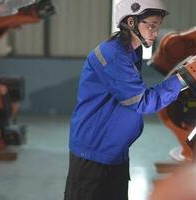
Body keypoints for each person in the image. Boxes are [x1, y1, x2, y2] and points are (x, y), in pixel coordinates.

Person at [64, 0, 187, 199]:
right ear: (131, 22)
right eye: (151, 25)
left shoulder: (131, 51)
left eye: (157, 26)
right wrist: (182, 79)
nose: (155, 33)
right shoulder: (113, 54)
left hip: (115, 149)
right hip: (94, 152)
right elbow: (142, 101)